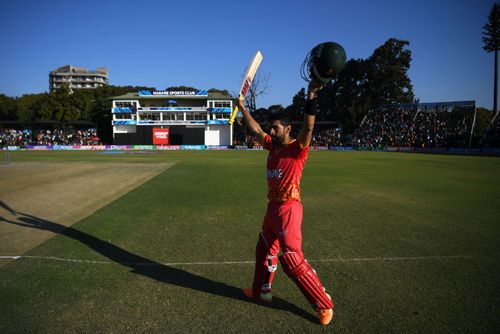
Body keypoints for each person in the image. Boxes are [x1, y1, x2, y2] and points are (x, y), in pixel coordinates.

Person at [238, 78, 334, 326]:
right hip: (272, 208)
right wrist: (242, 106)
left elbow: (309, 127)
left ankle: (323, 304)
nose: (272, 131)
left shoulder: (298, 148)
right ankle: (262, 290)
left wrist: (311, 94)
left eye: (277, 128)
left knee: (291, 257)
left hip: (289, 208)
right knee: (263, 249)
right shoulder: (272, 147)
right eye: (272, 128)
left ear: (289, 129)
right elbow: (257, 130)